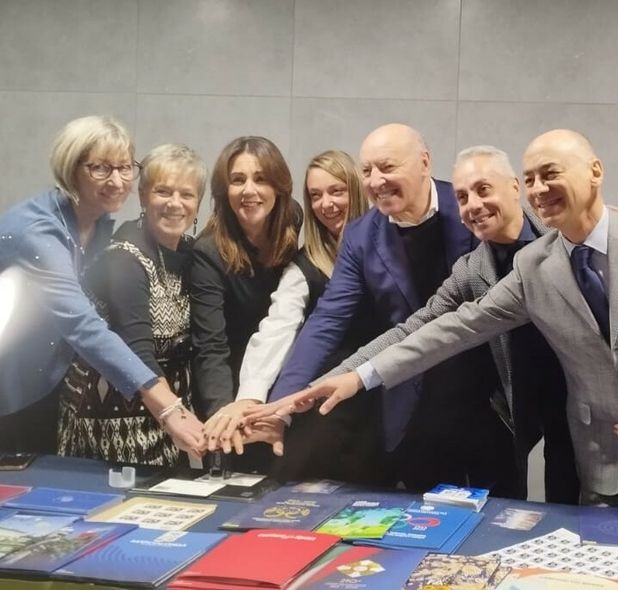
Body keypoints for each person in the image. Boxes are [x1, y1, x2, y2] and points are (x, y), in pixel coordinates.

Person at [262, 129, 618, 508]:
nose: (539, 189)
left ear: (595, 171)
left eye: (548, 174)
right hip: (599, 460)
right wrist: (357, 377)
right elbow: (449, 326)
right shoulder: (533, 267)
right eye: (532, 178)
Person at [265, 123, 515, 495]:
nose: (376, 181)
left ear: (424, 163)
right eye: (367, 171)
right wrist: (281, 405)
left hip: (489, 401)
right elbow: (327, 319)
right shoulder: (360, 235)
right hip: (412, 406)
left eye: (387, 167)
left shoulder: (469, 208)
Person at [0, 117, 204, 457]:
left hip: (47, 382)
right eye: (101, 168)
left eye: (124, 168)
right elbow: (82, 324)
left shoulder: (98, 221)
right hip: (11, 388)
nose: (117, 181)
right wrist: (168, 407)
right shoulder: (37, 231)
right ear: (71, 169)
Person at [205, 150, 382, 481]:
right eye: (316, 195)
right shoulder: (304, 266)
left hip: (386, 395)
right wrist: (252, 399)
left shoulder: (386, 244)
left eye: (336, 191)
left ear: (356, 191)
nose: (326, 204)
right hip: (327, 407)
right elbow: (277, 328)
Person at [56, 144, 207, 465]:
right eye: (163, 191)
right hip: (111, 423)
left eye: (187, 194)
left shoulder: (191, 253)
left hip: (166, 416)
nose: (175, 203)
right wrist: (174, 414)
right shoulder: (123, 258)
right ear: (142, 196)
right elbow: (136, 349)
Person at [190, 136, 299, 458]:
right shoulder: (207, 252)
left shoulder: (291, 220)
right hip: (230, 384)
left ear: (279, 187)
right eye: (238, 180)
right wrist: (225, 416)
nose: (249, 190)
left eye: (261, 179)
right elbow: (211, 346)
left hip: (281, 382)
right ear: (224, 190)